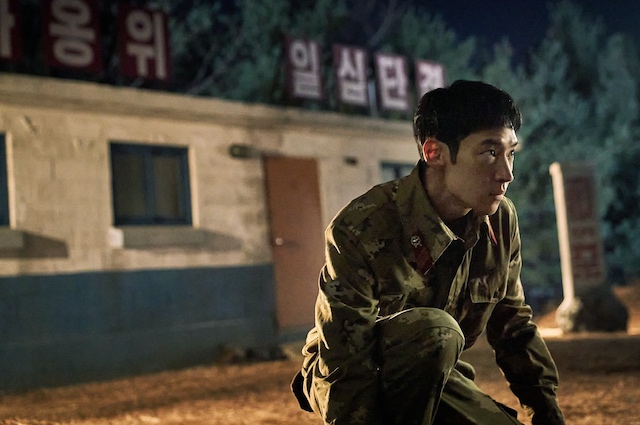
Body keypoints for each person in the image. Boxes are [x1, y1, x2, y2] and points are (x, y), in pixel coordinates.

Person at [291, 80, 565, 425]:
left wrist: (547, 413)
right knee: (437, 331)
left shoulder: (499, 219)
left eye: (511, 153)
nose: (506, 174)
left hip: (438, 376)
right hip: (349, 375)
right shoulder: (363, 226)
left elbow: (513, 325)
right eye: (490, 153)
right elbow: (345, 360)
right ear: (434, 153)